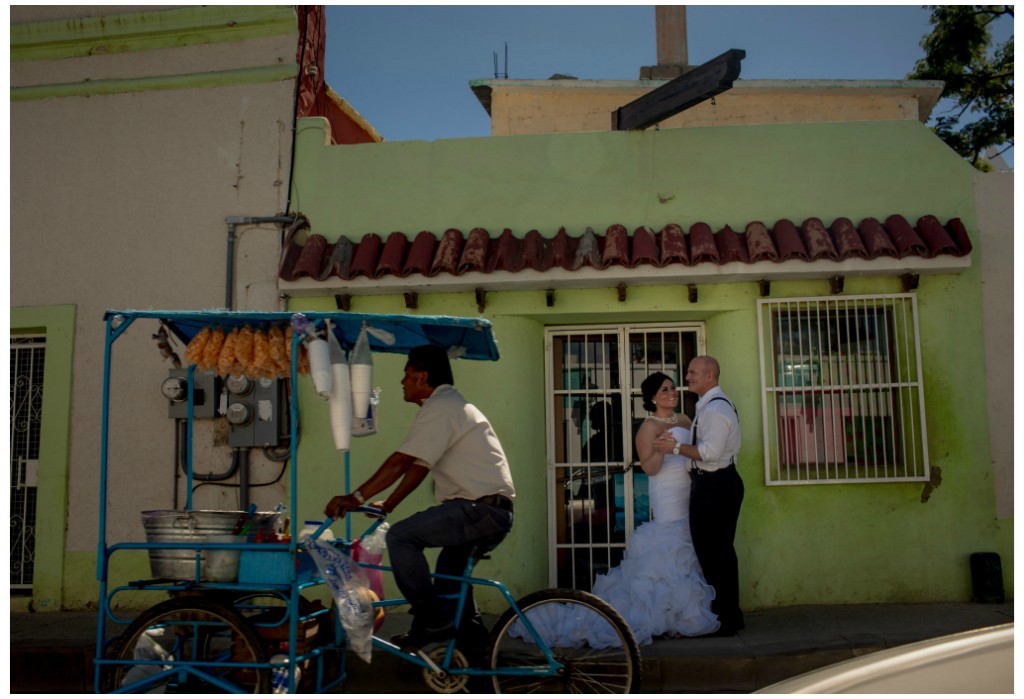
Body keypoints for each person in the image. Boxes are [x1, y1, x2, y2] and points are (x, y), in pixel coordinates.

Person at [324, 344, 515, 652]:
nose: (402, 382)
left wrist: (354, 497)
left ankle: (430, 619)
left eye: (407, 375)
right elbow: (418, 467)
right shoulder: (446, 407)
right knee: (450, 583)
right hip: (485, 510)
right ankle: (480, 658)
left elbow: (400, 462)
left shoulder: (441, 407)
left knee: (400, 538)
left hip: (480, 510)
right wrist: (388, 504)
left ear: (423, 378)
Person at [656, 355, 744, 635]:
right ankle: (727, 615)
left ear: (710, 376)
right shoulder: (707, 406)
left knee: (716, 553)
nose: (688, 376)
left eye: (693, 372)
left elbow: (709, 453)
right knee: (715, 552)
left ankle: (726, 619)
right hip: (712, 484)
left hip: (716, 484)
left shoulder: (716, 410)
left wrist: (676, 450)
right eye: (688, 370)